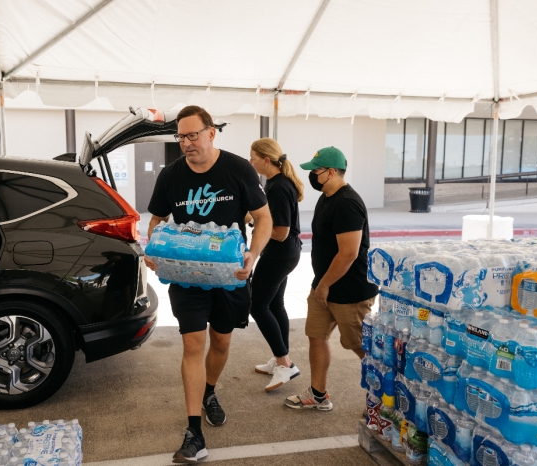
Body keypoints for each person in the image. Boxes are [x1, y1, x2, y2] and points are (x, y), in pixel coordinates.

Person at [145, 105, 272, 464]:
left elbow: (263, 218)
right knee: (192, 344)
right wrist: (153, 249)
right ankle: (193, 432)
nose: (186, 143)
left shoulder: (238, 169)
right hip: (187, 277)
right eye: (180, 137)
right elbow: (157, 218)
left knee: (220, 340)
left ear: (211, 132)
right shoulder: (170, 176)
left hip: (229, 274)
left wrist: (254, 255)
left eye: (193, 135)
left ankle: (210, 391)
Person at [283, 147, 378, 411]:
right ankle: (318, 394)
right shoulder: (327, 197)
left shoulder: (347, 202)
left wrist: (324, 285)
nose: (312, 176)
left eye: (316, 171)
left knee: (360, 347)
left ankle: (386, 401)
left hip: (351, 291)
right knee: (316, 336)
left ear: (331, 172)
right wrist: (320, 285)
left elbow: (348, 254)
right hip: (323, 286)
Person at [247, 138, 305, 391]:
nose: (251, 162)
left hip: (280, 254)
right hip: (286, 253)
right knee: (274, 304)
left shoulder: (279, 186)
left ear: (266, 160)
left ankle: (285, 363)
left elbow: (280, 231)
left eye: (253, 157)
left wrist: (255, 225)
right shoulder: (274, 182)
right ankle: (282, 358)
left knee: (257, 306)